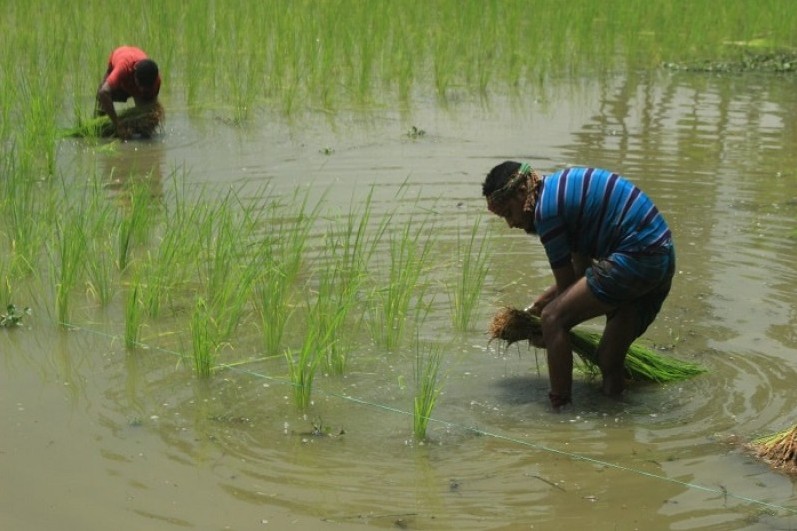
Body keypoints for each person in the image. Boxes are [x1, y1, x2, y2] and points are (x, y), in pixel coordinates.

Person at [483, 162, 675, 409]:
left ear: (522, 193)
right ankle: (615, 418)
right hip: (660, 257)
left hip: (638, 256)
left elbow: (565, 291)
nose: (511, 224)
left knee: (553, 319)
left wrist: (543, 327)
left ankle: (560, 411)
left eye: (509, 213)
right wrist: (535, 309)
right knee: (608, 360)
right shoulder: (559, 192)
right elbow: (580, 273)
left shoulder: (547, 212)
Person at [96, 46, 161, 139]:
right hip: (121, 61)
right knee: (101, 102)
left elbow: (151, 108)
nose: (141, 90)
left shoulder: (155, 81)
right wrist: (117, 125)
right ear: (134, 73)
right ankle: (102, 130)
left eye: (145, 88)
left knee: (148, 118)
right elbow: (103, 92)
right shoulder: (123, 69)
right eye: (139, 86)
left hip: (135, 67)